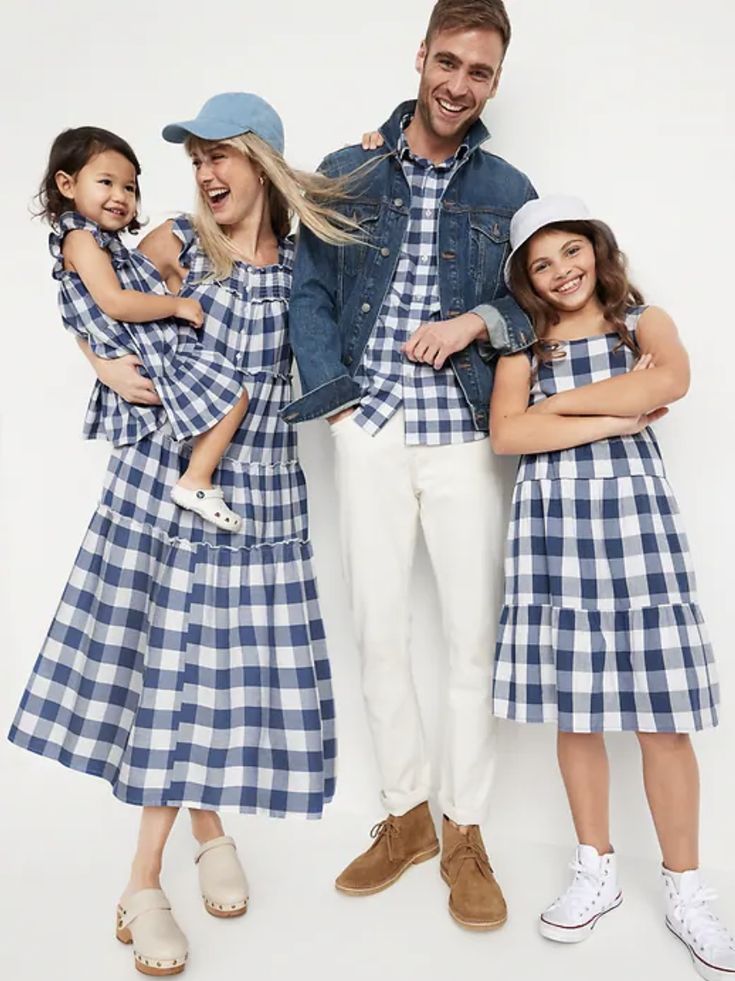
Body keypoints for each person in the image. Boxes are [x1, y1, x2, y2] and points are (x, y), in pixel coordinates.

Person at [9, 92, 356, 977]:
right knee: (167, 675)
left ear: (263, 165)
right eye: (196, 156)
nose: (203, 173)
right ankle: (141, 881)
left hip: (260, 492)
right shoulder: (172, 235)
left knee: (219, 678)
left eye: (220, 155)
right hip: (168, 484)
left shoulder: (305, 261)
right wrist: (98, 364)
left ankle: (208, 829)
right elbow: (94, 299)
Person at [284, 0, 535, 930]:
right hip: (372, 427)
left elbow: (540, 303)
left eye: (480, 72)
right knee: (378, 629)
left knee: (472, 637)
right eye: (450, 62)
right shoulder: (348, 171)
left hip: (463, 430)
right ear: (421, 56)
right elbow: (308, 286)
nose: (459, 84)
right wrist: (336, 398)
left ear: (493, 82)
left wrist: (479, 320)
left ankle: (465, 830)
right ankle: (405, 817)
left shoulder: (509, 187)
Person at [490, 194, 733, 980]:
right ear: (525, 279)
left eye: (570, 251)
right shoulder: (520, 344)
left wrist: (557, 407)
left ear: (595, 248)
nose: (560, 271)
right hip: (554, 533)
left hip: (635, 528)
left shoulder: (640, 321)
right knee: (577, 708)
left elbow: (672, 378)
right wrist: (609, 416)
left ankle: (686, 888)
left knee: (662, 718)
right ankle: (593, 865)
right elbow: (508, 433)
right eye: (540, 263)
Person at [40, 126, 250, 530]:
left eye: (130, 188)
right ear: (67, 184)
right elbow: (115, 302)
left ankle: (195, 478)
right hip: (153, 357)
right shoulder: (81, 240)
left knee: (227, 397)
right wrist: (178, 305)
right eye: (106, 183)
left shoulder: (106, 245)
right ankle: (196, 480)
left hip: (146, 354)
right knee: (235, 396)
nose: (120, 196)